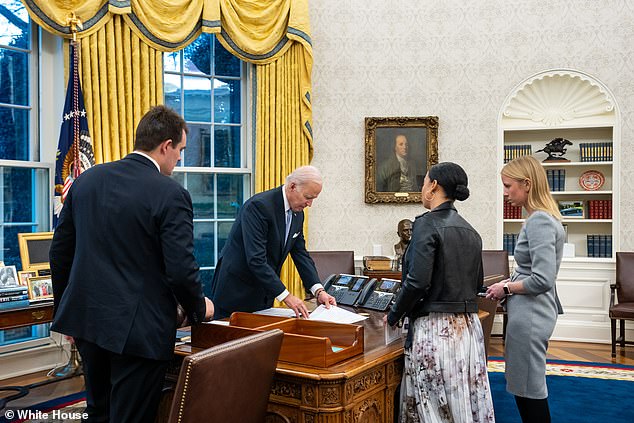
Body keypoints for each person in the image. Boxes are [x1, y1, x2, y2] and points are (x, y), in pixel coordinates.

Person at [50, 105, 214, 423]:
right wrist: (198, 309)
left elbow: (60, 253)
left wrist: (65, 310)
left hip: (87, 320)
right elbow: (181, 268)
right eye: (180, 150)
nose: (180, 158)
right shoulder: (171, 193)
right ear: (166, 146)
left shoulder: (86, 180)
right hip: (139, 332)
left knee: (98, 411)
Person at [384, 162, 495, 422]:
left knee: (431, 406)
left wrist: (393, 315)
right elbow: (477, 282)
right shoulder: (472, 231)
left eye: (424, 183)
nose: (422, 188)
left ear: (433, 185)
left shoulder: (426, 224)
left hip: (435, 330)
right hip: (468, 331)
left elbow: (417, 282)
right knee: (463, 400)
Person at [486, 155, 564, 423]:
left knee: (529, 387)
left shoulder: (539, 221)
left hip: (531, 314)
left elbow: (543, 279)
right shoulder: (542, 218)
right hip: (530, 311)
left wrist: (506, 289)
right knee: (525, 383)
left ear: (527, 184)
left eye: (508, 186)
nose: (505, 193)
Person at [210, 166, 337, 319]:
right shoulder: (259, 207)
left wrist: (319, 291)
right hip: (236, 292)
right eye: (308, 197)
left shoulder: (298, 214)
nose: (309, 204)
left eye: (313, 199)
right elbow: (256, 260)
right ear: (292, 186)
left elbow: (301, 255)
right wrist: (287, 297)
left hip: (263, 294)